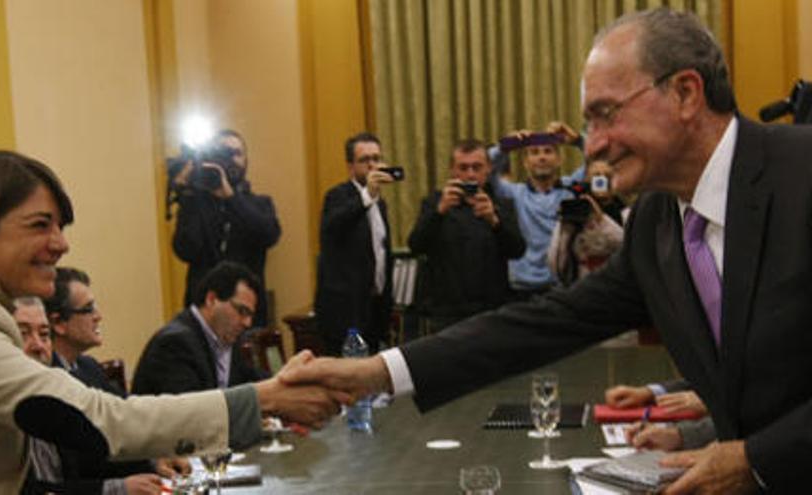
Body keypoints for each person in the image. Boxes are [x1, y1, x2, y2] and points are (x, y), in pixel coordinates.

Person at [285, 8, 811, 492]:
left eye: (607, 114)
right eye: (589, 122)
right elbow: (544, 323)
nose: (596, 143)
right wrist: (378, 372)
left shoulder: (802, 172)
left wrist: (755, 459)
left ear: (686, 93)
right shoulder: (658, 222)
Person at [0, 150, 341, 493]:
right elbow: (97, 420)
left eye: (60, 226)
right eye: (40, 225)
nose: (61, 244)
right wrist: (264, 399)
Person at [14, 297, 168, 495]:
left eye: (44, 335)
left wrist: (154, 459)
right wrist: (117, 489)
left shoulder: (61, 386)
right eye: (23, 334)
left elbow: (100, 450)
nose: (38, 346)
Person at [407, 139, 525, 332]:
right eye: (463, 167)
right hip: (446, 311)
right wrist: (439, 212)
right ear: (452, 170)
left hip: (491, 309)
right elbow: (415, 245)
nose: (470, 174)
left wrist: (495, 221)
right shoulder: (434, 202)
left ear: (488, 169)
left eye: (476, 167)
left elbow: (518, 250)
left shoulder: (501, 204)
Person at [173, 129, 280, 327]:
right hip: (204, 313)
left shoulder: (260, 204)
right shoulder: (197, 204)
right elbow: (185, 249)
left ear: (246, 160)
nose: (231, 159)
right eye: (223, 153)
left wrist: (230, 198)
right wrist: (187, 196)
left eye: (237, 154)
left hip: (248, 316)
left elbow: (268, 235)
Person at [132, 260, 268, 395]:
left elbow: (255, 386)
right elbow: (191, 412)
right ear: (212, 299)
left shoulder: (229, 340)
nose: (247, 323)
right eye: (242, 311)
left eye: (250, 315)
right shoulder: (175, 344)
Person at [314, 132, 395, 355]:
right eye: (364, 160)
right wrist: (367, 195)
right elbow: (332, 228)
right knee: (349, 378)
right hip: (346, 312)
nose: (372, 165)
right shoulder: (337, 196)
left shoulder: (380, 204)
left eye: (376, 159)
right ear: (350, 166)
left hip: (375, 308)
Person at [492, 122, 585, 300]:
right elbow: (487, 171)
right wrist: (506, 146)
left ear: (559, 159)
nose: (542, 157)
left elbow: (599, 161)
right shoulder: (514, 193)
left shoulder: (570, 188)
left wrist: (577, 141)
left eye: (548, 151)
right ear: (526, 163)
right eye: (534, 152)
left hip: (562, 286)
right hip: (522, 287)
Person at [44, 267, 124, 395]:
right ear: (58, 323)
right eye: (88, 309)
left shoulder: (89, 365)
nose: (98, 317)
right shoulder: (47, 377)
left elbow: (121, 408)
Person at [547, 159, 628, 285]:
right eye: (596, 176)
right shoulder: (575, 212)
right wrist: (567, 229)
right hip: (582, 284)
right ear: (587, 181)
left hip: (617, 284)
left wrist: (601, 220)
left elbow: (629, 249)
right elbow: (556, 261)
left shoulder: (628, 213)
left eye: (607, 176)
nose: (601, 180)